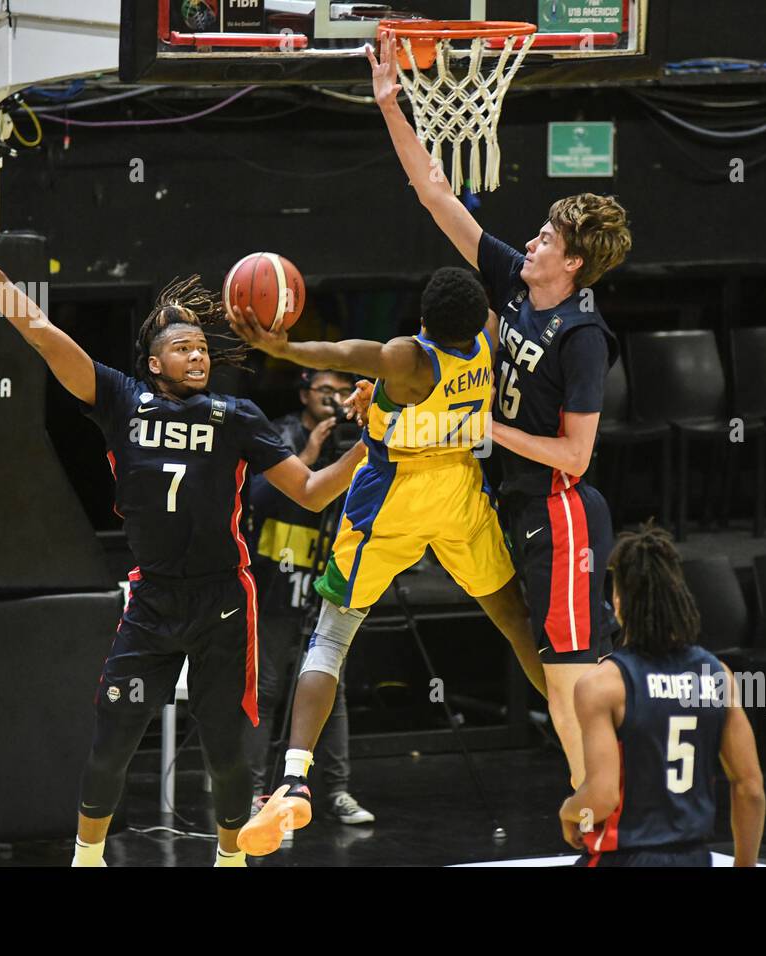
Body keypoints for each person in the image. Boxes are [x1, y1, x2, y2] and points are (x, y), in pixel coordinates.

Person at [0, 201, 365, 868]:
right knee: (112, 741)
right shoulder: (123, 401)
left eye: (201, 348)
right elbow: (41, 332)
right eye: (181, 348)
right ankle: (88, 858)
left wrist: (369, 449)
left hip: (222, 600)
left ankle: (230, 859)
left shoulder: (236, 414)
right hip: (153, 602)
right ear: (154, 364)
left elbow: (308, 491)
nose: (196, 355)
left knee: (225, 747)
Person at [369, 35, 633, 786]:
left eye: (546, 237)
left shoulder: (583, 337)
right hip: (520, 504)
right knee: (560, 685)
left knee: (570, 686)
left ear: (573, 262)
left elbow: (577, 458)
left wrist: (489, 429)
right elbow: (435, 195)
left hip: (563, 511)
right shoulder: (517, 282)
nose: (531, 239)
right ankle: (604, 809)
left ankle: (607, 815)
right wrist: (391, 104)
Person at [226, 266, 549, 855]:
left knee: (332, 636)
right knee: (516, 620)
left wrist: (284, 346)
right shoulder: (488, 340)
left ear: (423, 322)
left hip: (392, 498)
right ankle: (585, 735)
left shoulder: (410, 358)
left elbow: (352, 352)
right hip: (458, 493)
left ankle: (294, 779)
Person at [560, 522, 766, 867]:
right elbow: (751, 788)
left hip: (625, 859)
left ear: (619, 600)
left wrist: (569, 811)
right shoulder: (716, 676)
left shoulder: (602, 684)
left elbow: (602, 796)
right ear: (678, 596)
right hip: (693, 858)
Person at [243, 368, 375, 826]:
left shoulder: (360, 434)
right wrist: (311, 451)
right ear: (304, 395)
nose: (334, 399)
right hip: (277, 580)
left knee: (328, 686)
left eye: (342, 391)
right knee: (267, 688)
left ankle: (336, 791)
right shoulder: (281, 433)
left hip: (329, 575)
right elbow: (257, 494)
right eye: (324, 391)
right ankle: (255, 793)